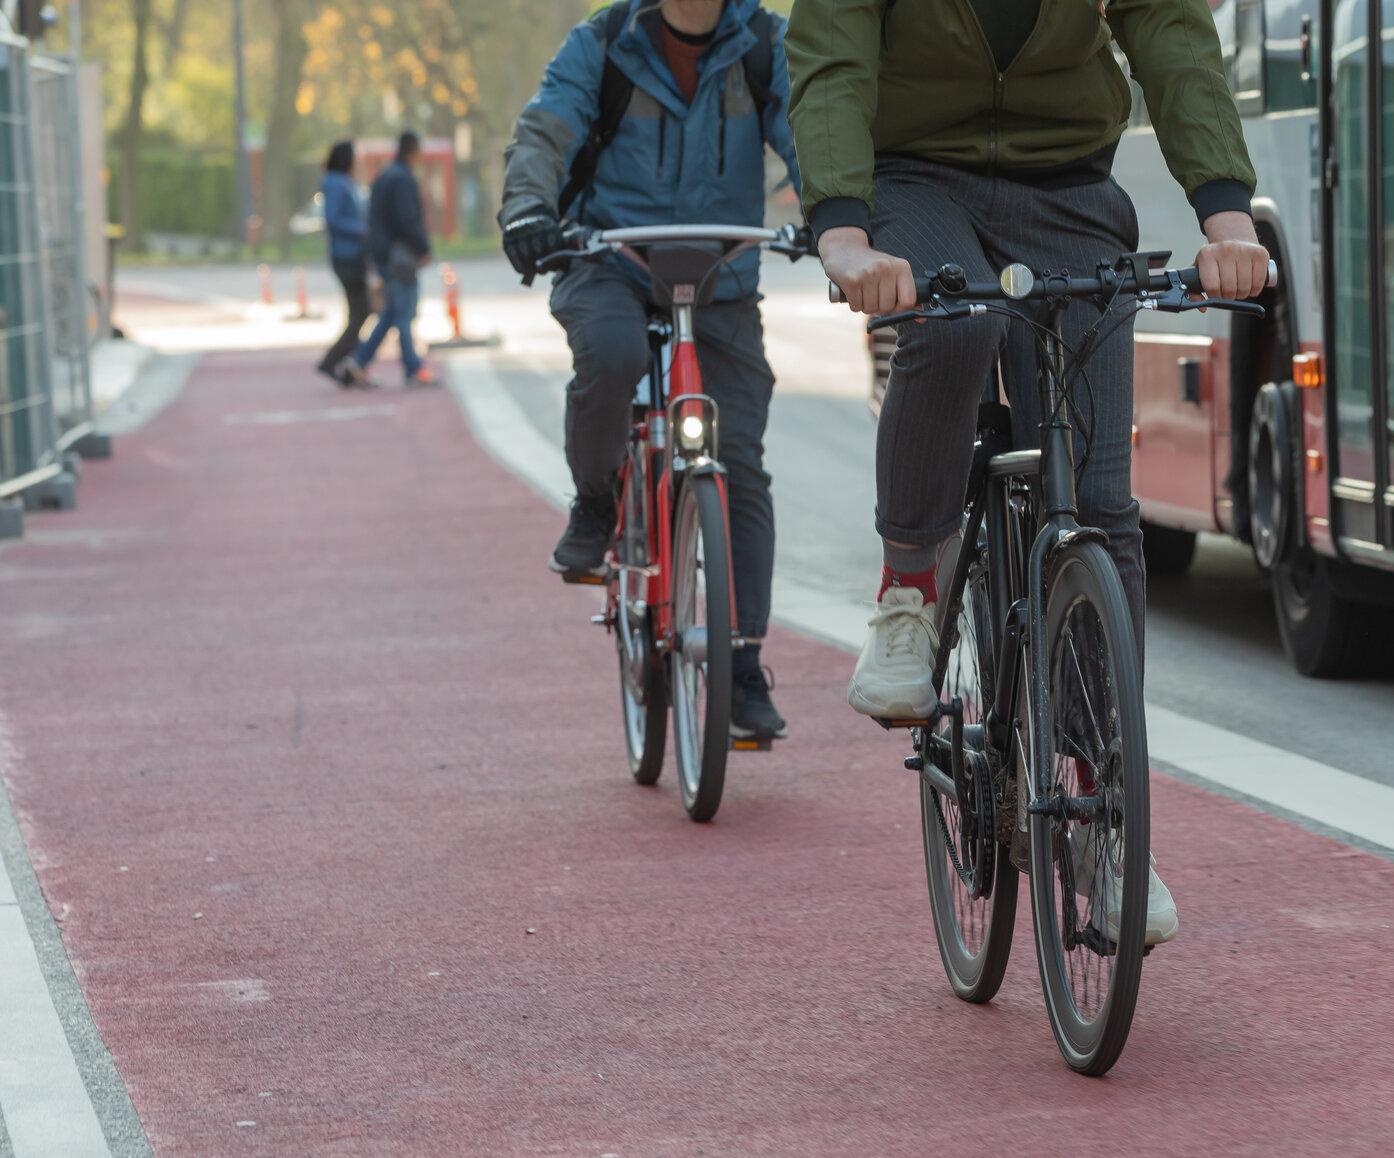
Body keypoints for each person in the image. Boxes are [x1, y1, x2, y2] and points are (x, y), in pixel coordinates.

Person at [788, 0, 1271, 943]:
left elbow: (1172, 34)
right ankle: (909, 589)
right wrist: (843, 231)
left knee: (1099, 509)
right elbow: (832, 54)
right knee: (956, 325)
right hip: (917, 180)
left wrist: (1227, 215)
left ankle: (1104, 815)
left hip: (1069, 187)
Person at [499, 0, 800, 740]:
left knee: (740, 463)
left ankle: (742, 663)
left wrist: (843, 209)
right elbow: (547, 129)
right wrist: (528, 209)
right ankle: (597, 502)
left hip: (718, 274)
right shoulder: (601, 45)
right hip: (610, 263)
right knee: (613, 356)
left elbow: (815, 133)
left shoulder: (763, 46)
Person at [343, 132, 436, 389]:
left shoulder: (385, 175)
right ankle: (413, 368)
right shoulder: (403, 178)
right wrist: (423, 247)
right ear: (413, 151)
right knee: (403, 312)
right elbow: (407, 219)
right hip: (400, 257)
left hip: (384, 254)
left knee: (393, 312)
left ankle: (359, 361)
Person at [317, 141, 372, 386]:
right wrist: (362, 230)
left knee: (358, 312)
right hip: (347, 255)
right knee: (361, 312)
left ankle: (352, 366)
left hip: (351, 254)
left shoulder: (342, 182)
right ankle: (334, 360)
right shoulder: (336, 182)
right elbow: (334, 219)